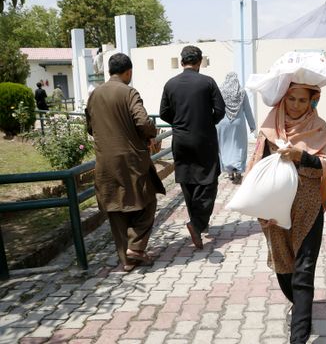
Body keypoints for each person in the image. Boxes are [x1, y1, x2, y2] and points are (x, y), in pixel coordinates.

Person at [248, 82, 326, 344]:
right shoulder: (269, 129)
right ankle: (298, 304)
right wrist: (262, 208)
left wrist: (302, 156)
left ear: (312, 101)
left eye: (302, 100)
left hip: (308, 209)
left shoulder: (319, 128)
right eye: (291, 99)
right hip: (276, 208)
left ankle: (298, 335)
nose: (297, 105)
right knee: (284, 267)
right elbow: (258, 169)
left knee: (304, 270)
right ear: (283, 99)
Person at [85, 53, 166, 272]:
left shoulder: (94, 95)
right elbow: (142, 121)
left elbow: (90, 127)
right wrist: (150, 134)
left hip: (105, 162)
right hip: (131, 160)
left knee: (116, 209)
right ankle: (136, 247)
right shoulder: (129, 92)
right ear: (128, 72)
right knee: (148, 201)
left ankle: (127, 260)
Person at [159, 45, 225, 249]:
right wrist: (206, 121)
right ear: (199, 62)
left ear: (182, 62)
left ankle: (198, 223)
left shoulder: (170, 84)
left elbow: (163, 113)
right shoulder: (208, 82)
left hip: (180, 139)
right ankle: (196, 224)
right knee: (208, 181)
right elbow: (220, 110)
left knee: (187, 179)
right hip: (204, 138)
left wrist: (179, 123)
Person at [217, 72, 256, 184]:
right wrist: (252, 126)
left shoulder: (220, 91)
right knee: (239, 147)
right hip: (238, 124)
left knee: (225, 147)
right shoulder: (241, 92)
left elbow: (215, 107)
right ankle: (238, 171)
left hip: (223, 123)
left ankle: (230, 172)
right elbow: (247, 110)